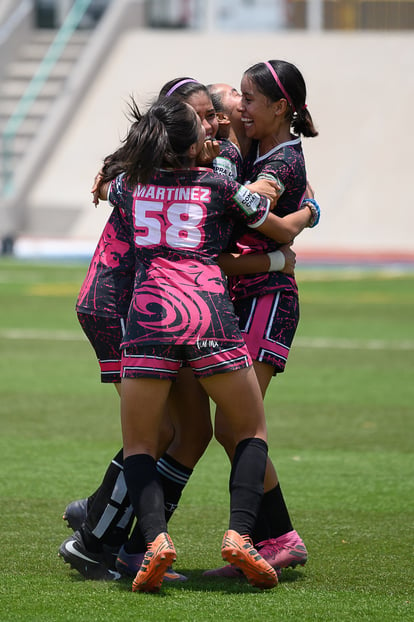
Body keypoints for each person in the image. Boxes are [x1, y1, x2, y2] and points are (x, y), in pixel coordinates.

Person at [58, 82, 302, 583]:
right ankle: (239, 532)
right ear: (190, 140)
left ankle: (152, 540)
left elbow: (109, 186)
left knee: (144, 443)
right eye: (206, 121)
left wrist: (112, 173)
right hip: (207, 312)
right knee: (247, 429)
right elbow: (277, 225)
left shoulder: (128, 186)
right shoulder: (218, 184)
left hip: (147, 315)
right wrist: (307, 217)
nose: (216, 127)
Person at [204, 60, 319, 579]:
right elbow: (294, 214)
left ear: (280, 108)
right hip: (242, 291)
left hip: (269, 298)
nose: (240, 110)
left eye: (249, 101)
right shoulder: (256, 146)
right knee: (230, 426)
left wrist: (285, 218)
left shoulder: (283, 160)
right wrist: (309, 214)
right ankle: (278, 538)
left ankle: (256, 537)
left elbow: (263, 199)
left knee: (236, 423)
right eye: (240, 99)